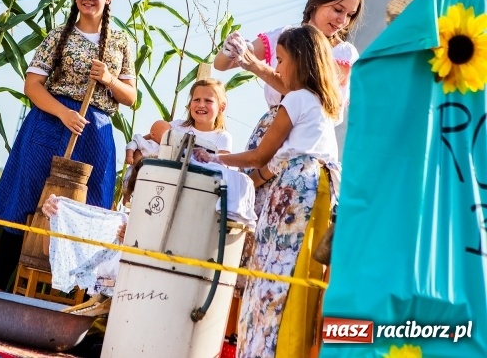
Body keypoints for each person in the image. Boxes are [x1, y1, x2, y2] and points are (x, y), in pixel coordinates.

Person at [0, 0, 136, 291]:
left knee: (90, 208)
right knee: (25, 198)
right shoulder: (58, 37)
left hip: (94, 132)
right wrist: (62, 114)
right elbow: (32, 85)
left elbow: (131, 97)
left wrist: (109, 79)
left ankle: (71, 297)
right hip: (49, 123)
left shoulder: (122, 42)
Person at [196, 25, 340, 358]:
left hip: (293, 191)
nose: (278, 69)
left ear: (299, 62)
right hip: (317, 192)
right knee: (299, 277)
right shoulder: (322, 102)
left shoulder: (298, 100)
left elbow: (261, 155)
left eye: (284, 60)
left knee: (273, 277)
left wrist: (215, 157)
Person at [122, 79, 234, 204]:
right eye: (196, 100)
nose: (201, 105)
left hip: (195, 196)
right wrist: (138, 160)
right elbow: (142, 141)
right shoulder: (176, 127)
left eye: (208, 101)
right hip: (160, 189)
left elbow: (221, 171)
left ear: (221, 107)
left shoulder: (222, 137)